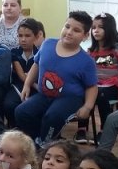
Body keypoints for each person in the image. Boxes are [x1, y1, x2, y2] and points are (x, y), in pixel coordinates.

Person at [15, 11, 98, 145]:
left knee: (52, 117)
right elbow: (36, 65)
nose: (69, 32)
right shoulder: (48, 44)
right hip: (44, 95)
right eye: (67, 26)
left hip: (70, 99)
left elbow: (92, 86)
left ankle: (44, 143)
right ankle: (39, 141)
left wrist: (87, 107)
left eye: (76, 30)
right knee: (21, 112)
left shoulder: (86, 61)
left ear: (85, 36)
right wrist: (27, 85)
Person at [77, 13, 118, 143]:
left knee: (101, 95)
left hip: (113, 86)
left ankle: (104, 130)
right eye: (94, 27)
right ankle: (81, 129)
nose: (96, 30)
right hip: (95, 84)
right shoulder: (90, 50)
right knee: (85, 93)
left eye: (100, 27)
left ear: (110, 29)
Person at [4, 18, 42, 128]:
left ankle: (32, 131)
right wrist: (34, 84)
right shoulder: (14, 52)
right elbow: (21, 75)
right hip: (18, 86)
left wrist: (35, 84)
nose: (23, 39)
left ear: (36, 36)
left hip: (37, 88)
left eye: (27, 36)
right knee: (9, 104)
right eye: (20, 36)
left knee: (34, 106)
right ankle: (14, 128)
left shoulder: (40, 52)